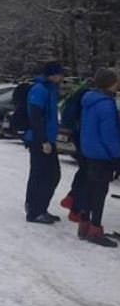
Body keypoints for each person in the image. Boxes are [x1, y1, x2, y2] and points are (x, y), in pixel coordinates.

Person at [78, 68, 120, 247]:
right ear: (110, 82)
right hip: (103, 154)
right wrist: (118, 155)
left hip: (89, 150)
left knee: (89, 189)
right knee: (99, 192)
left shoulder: (89, 100)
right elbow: (109, 135)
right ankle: (95, 230)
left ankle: (84, 225)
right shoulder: (106, 104)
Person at [24, 61, 64, 224]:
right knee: (48, 175)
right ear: (52, 75)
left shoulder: (50, 89)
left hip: (46, 138)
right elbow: (36, 116)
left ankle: (37, 207)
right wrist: (44, 141)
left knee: (44, 174)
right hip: (40, 139)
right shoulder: (40, 90)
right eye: (60, 74)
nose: (62, 77)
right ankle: (35, 211)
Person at [59, 75, 93, 224]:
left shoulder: (81, 91)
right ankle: (77, 208)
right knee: (89, 172)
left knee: (84, 169)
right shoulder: (90, 95)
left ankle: (72, 198)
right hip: (85, 135)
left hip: (78, 135)